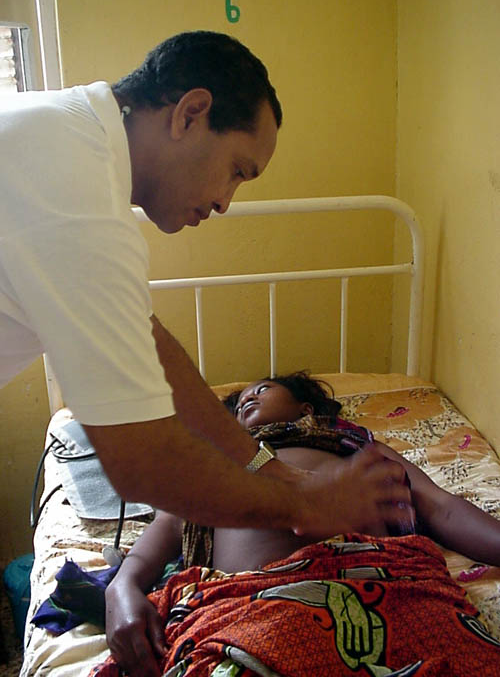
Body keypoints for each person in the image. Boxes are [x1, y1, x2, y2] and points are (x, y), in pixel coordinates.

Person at [0, 30, 413, 546]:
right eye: (236, 171)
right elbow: (142, 462)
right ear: (190, 113)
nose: (224, 202)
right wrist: (308, 505)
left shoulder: (66, 135)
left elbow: (150, 343)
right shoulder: (77, 200)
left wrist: (272, 468)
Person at [102, 372, 500, 677]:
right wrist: (121, 589)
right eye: (238, 405)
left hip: (382, 588)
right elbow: (159, 537)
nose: (247, 399)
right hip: (253, 608)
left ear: (307, 409)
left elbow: (441, 508)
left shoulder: (355, 448)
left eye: (263, 389)